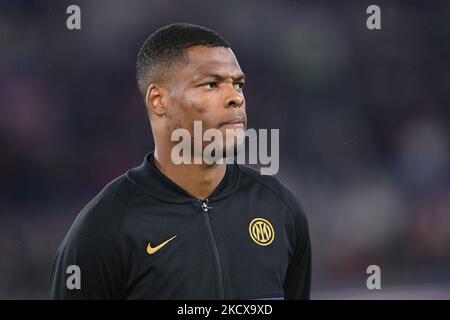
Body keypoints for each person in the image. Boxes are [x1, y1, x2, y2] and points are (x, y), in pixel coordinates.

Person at [49, 23, 311, 300]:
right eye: (211, 84)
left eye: (238, 84)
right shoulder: (104, 228)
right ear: (158, 101)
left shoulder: (281, 209)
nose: (236, 98)